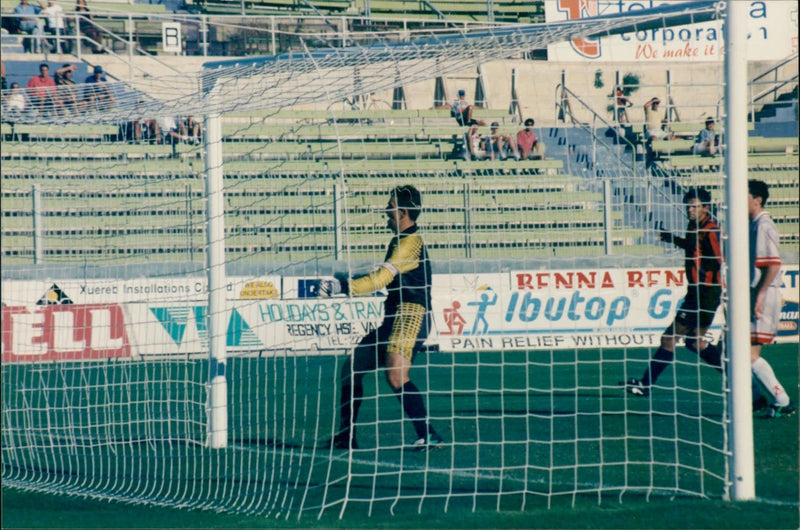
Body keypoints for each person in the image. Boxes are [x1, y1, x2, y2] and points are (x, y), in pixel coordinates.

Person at [316, 185, 443, 451]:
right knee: (351, 369)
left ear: (404, 212)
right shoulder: (399, 241)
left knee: (396, 375)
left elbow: (383, 278)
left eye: (391, 206)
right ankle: (346, 435)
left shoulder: (410, 243)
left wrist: (344, 287)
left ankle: (428, 434)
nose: (387, 211)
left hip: (412, 314)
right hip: (393, 315)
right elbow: (383, 274)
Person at [621, 188, 723, 397]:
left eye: (694, 206)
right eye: (688, 206)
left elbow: (720, 260)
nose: (690, 210)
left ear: (706, 207)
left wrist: (715, 283)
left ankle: (645, 384)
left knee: (670, 338)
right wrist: (672, 239)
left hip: (704, 293)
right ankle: (738, 377)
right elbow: (693, 247)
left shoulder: (711, 230)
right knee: (695, 343)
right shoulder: (694, 226)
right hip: (698, 293)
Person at [747, 180, 795, 418]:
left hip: (762, 294)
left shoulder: (763, 225)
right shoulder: (751, 224)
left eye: (744, 196)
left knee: (749, 355)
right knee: (735, 350)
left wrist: (760, 294)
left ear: (757, 199)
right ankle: (756, 398)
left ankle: (782, 400)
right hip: (755, 293)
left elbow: (773, 266)